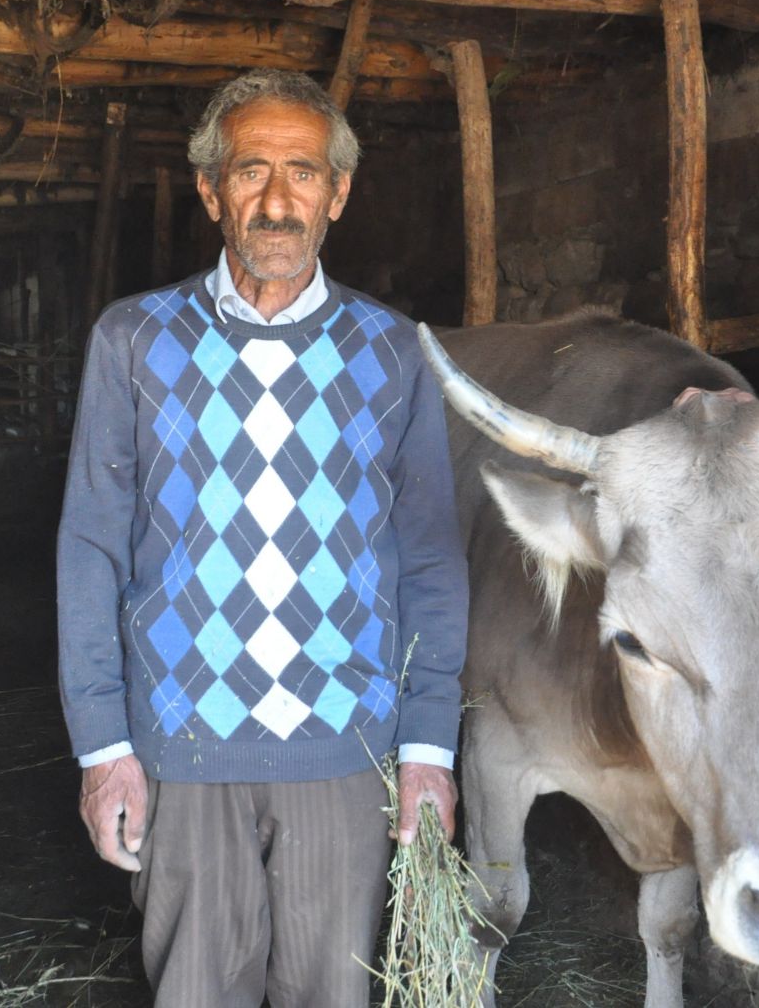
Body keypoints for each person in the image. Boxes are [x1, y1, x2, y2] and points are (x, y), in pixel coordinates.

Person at [56, 69, 468, 1008]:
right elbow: (91, 549)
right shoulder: (133, 341)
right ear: (210, 189)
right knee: (197, 990)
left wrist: (429, 748)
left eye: (303, 173)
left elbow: (433, 560)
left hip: (345, 747)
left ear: (339, 192)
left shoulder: (394, 350)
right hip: (183, 747)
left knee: (333, 992)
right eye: (251, 172)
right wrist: (102, 745)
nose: (278, 201)